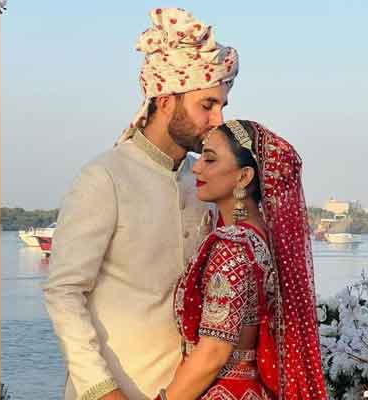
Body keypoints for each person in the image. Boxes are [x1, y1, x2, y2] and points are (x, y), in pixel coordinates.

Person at [42, 8, 239, 400]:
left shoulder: (201, 183)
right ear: (166, 101)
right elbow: (64, 293)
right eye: (207, 105)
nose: (218, 120)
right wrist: (100, 389)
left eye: (222, 107)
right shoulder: (106, 177)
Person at [156, 120, 327, 400]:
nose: (197, 167)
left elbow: (213, 351)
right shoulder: (263, 238)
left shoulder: (231, 246)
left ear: (244, 177)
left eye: (210, 160)